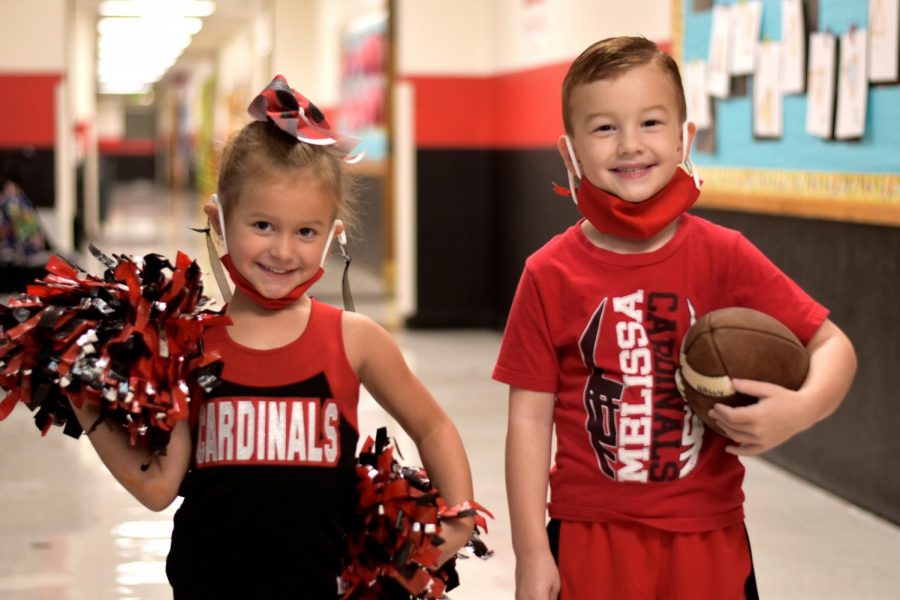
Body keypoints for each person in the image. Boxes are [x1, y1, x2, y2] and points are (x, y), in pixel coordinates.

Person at [71, 75, 475, 598]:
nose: (283, 251)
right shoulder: (189, 342)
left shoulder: (356, 340)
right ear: (219, 220)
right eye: (262, 225)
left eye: (305, 231)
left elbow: (434, 426)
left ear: (333, 234)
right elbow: (157, 486)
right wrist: (82, 399)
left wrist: (458, 518)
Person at [493, 37, 856, 600]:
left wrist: (800, 410)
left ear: (685, 138)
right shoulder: (549, 273)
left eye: (651, 122)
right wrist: (531, 554)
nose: (630, 144)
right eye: (605, 127)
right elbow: (529, 423)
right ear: (571, 155)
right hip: (589, 533)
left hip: (707, 533)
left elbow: (834, 346)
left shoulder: (725, 254)